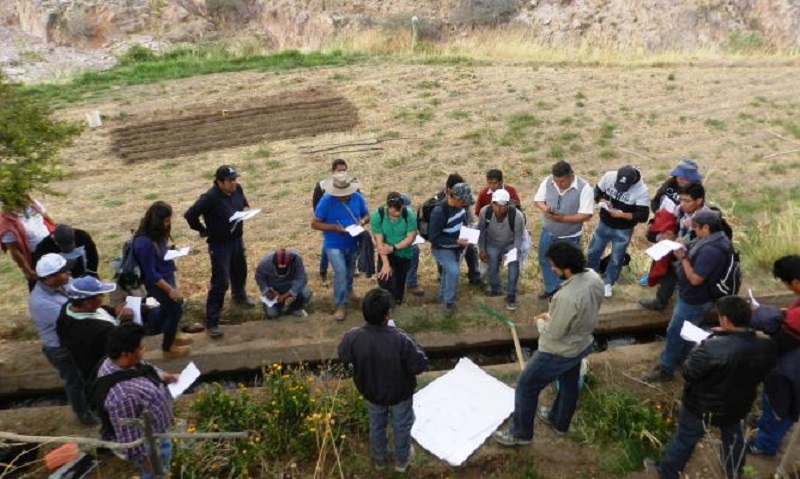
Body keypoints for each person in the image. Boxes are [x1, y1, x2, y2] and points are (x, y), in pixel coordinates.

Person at [493, 242, 603, 446]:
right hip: (581, 344)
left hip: (558, 351)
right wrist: (553, 315)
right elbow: (581, 310)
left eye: (554, 266)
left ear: (566, 268)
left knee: (526, 386)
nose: (552, 269)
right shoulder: (593, 278)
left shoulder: (566, 297)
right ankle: (559, 422)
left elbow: (555, 333)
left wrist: (542, 322)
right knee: (570, 384)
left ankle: (521, 434)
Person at [654, 296, 776, 479]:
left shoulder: (709, 348)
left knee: (684, 440)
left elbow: (688, 372)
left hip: (700, 407)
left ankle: (668, 472)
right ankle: (733, 472)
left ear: (725, 320)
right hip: (737, 406)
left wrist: (698, 346)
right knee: (734, 442)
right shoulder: (766, 346)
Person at [337, 288, 429, 473]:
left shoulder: (352, 337)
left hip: (371, 391)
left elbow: (344, 356)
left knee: (376, 424)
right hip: (400, 393)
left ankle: (379, 459)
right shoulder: (401, 339)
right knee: (402, 425)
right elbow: (419, 364)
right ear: (387, 316)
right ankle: (401, 461)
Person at [644, 210, 735, 382]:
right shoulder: (716, 237)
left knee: (675, 331)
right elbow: (694, 243)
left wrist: (683, 258)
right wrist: (681, 244)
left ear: (706, 227)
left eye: (695, 227)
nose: (693, 230)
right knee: (687, 330)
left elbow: (695, 279)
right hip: (698, 297)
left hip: (695, 299)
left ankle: (666, 369)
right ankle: (683, 359)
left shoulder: (711, 251)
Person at [95, 323, 178, 479]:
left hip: (156, 429)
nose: (144, 351)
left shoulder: (117, 361)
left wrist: (165, 376)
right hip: (152, 443)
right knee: (156, 471)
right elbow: (132, 444)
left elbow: (147, 369)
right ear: (126, 354)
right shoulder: (125, 396)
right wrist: (154, 469)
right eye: (141, 348)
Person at [185, 165, 255, 339]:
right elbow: (190, 215)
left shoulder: (237, 189)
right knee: (220, 281)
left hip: (237, 239)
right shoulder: (209, 198)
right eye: (230, 180)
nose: (234, 183)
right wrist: (202, 229)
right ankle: (212, 322)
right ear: (219, 182)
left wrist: (245, 212)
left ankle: (239, 297)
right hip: (219, 244)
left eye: (235, 179)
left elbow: (243, 203)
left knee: (240, 270)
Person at [28, 253, 97, 426]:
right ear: (50, 277)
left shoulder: (63, 283)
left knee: (86, 375)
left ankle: (92, 403)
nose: (69, 273)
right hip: (60, 349)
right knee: (74, 381)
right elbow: (74, 320)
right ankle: (83, 413)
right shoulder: (41, 302)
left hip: (74, 341)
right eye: (63, 271)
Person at [747, 255, 800, 456]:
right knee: (775, 407)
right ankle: (764, 423)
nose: (789, 289)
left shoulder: (795, 322)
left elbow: (780, 338)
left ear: (796, 282)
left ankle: (764, 445)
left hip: (790, 374)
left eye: (787, 284)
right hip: (789, 369)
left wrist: (761, 316)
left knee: (780, 410)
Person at [135, 201, 191, 359]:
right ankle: (168, 347)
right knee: (175, 309)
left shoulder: (156, 234)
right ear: (156, 221)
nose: (169, 224)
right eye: (166, 221)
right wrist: (170, 290)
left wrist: (171, 251)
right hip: (158, 282)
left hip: (166, 274)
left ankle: (171, 333)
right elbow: (151, 274)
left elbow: (160, 250)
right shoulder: (143, 243)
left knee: (170, 308)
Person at [311, 171, 370, 322]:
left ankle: (349, 291)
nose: (345, 196)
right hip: (333, 244)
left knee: (350, 270)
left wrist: (362, 222)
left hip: (352, 242)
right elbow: (315, 223)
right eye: (341, 194)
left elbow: (367, 214)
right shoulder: (326, 201)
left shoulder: (357, 198)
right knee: (341, 272)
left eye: (347, 193)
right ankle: (340, 305)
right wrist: (334, 228)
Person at [640, 183, 709, 311]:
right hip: (678, 249)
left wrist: (686, 243)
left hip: (698, 254)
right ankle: (661, 302)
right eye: (681, 200)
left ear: (699, 201)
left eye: (687, 201)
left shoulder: (707, 218)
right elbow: (675, 225)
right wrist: (671, 235)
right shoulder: (681, 210)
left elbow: (708, 241)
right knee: (668, 271)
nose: (682, 204)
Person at [532, 160, 594, 299]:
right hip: (548, 232)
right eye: (556, 181)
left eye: (562, 181)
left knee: (568, 267)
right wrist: (545, 208)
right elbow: (538, 200)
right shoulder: (548, 181)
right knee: (545, 259)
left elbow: (586, 215)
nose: (558, 184)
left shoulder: (584, 188)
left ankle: (566, 294)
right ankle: (550, 288)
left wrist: (563, 219)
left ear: (571, 176)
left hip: (570, 236)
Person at [586, 165, 649, 298]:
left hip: (623, 229)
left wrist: (622, 215)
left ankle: (608, 282)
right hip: (604, 223)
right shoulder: (609, 176)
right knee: (593, 251)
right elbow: (596, 191)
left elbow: (643, 216)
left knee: (617, 257)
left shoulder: (642, 190)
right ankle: (589, 278)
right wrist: (602, 200)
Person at [56, 276, 131, 380]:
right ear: (87, 303)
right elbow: (120, 347)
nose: (103, 296)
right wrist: (126, 321)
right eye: (100, 295)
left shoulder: (69, 307)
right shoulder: (99, 330)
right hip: (105, 375)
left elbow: (99, 310)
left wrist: (114, 311)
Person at [429, 182, 474, 317]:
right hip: (442, 248)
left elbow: (463, 223)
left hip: (457, 247)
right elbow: (434, 237)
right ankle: (449, 302)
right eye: (464, 201)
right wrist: (456, 241)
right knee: (453, 271)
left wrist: (468, 236)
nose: (466, 204)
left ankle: (442, 297)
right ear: (455, 198)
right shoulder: (440, 212)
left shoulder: (462, 208)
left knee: (447, 273)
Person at [478, 189, 526, 310]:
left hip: (510, 244)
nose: (499, 209)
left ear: (508, 204)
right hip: (492, 243)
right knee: (492, 264)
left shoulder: (517, 216)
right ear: (491, 203)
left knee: (513, 266)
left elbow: (519, 238)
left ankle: (511, 295)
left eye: (502, 206)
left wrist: (512, 253)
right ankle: (495, 290)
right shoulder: (485, 212)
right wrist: (482, 249)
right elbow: (481, 232)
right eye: (495, 205)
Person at [372, 192, 418, 305]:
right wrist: (386, 264)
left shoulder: (409, 215)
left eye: (400, 210)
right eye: (394, 211)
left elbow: (410, 238)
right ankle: (385, 304)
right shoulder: (378, 215)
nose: (397, 213)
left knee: (399, 280)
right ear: (388, 207)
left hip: (404, 253)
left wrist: (393, 248)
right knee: (384, 279)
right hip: (385, 253)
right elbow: (379, 242)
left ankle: (397, 301)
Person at [1, 197, 54, 290]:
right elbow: (15, 251)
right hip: (36, 257)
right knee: (43, 287)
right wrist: (28, 271)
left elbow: (47, 218)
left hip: (52, 248)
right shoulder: (7, 222)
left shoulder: (34, 205)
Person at [312, 159, 349, 284]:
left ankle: (348, 268)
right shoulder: (322, 186)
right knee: (327, 247)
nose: (342, 173)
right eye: (339, 171)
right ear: (333, 171)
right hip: (329, 223)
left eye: (344, 171)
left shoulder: (350, 183)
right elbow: (316, 207)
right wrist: (326, 224)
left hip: (346, 221)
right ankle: (323, 272)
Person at [254, 248, 312, 318]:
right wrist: (267, 291)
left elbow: (302, 278)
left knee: (306, 292)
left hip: (289, 287)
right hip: (273, 291)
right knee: (273, 314)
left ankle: (295, 308)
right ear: (274, 262)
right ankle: (279, 308)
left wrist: (286, 295)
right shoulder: (265, 263)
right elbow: (259, 277)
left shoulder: (296, 260)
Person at [32, 224, 99, 279]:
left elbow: (93, 256)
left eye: (70, 244)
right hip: (60, 279)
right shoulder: (43, 247)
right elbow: (42, 270)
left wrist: (91, 273)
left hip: (83, 273)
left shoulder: (83, 236)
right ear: (54, 241)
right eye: (64, 246)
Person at [400, 193, 424, 297]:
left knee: (414, 249)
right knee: (413, 250)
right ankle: (410, 283)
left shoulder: (409, 214)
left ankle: (409, 278)